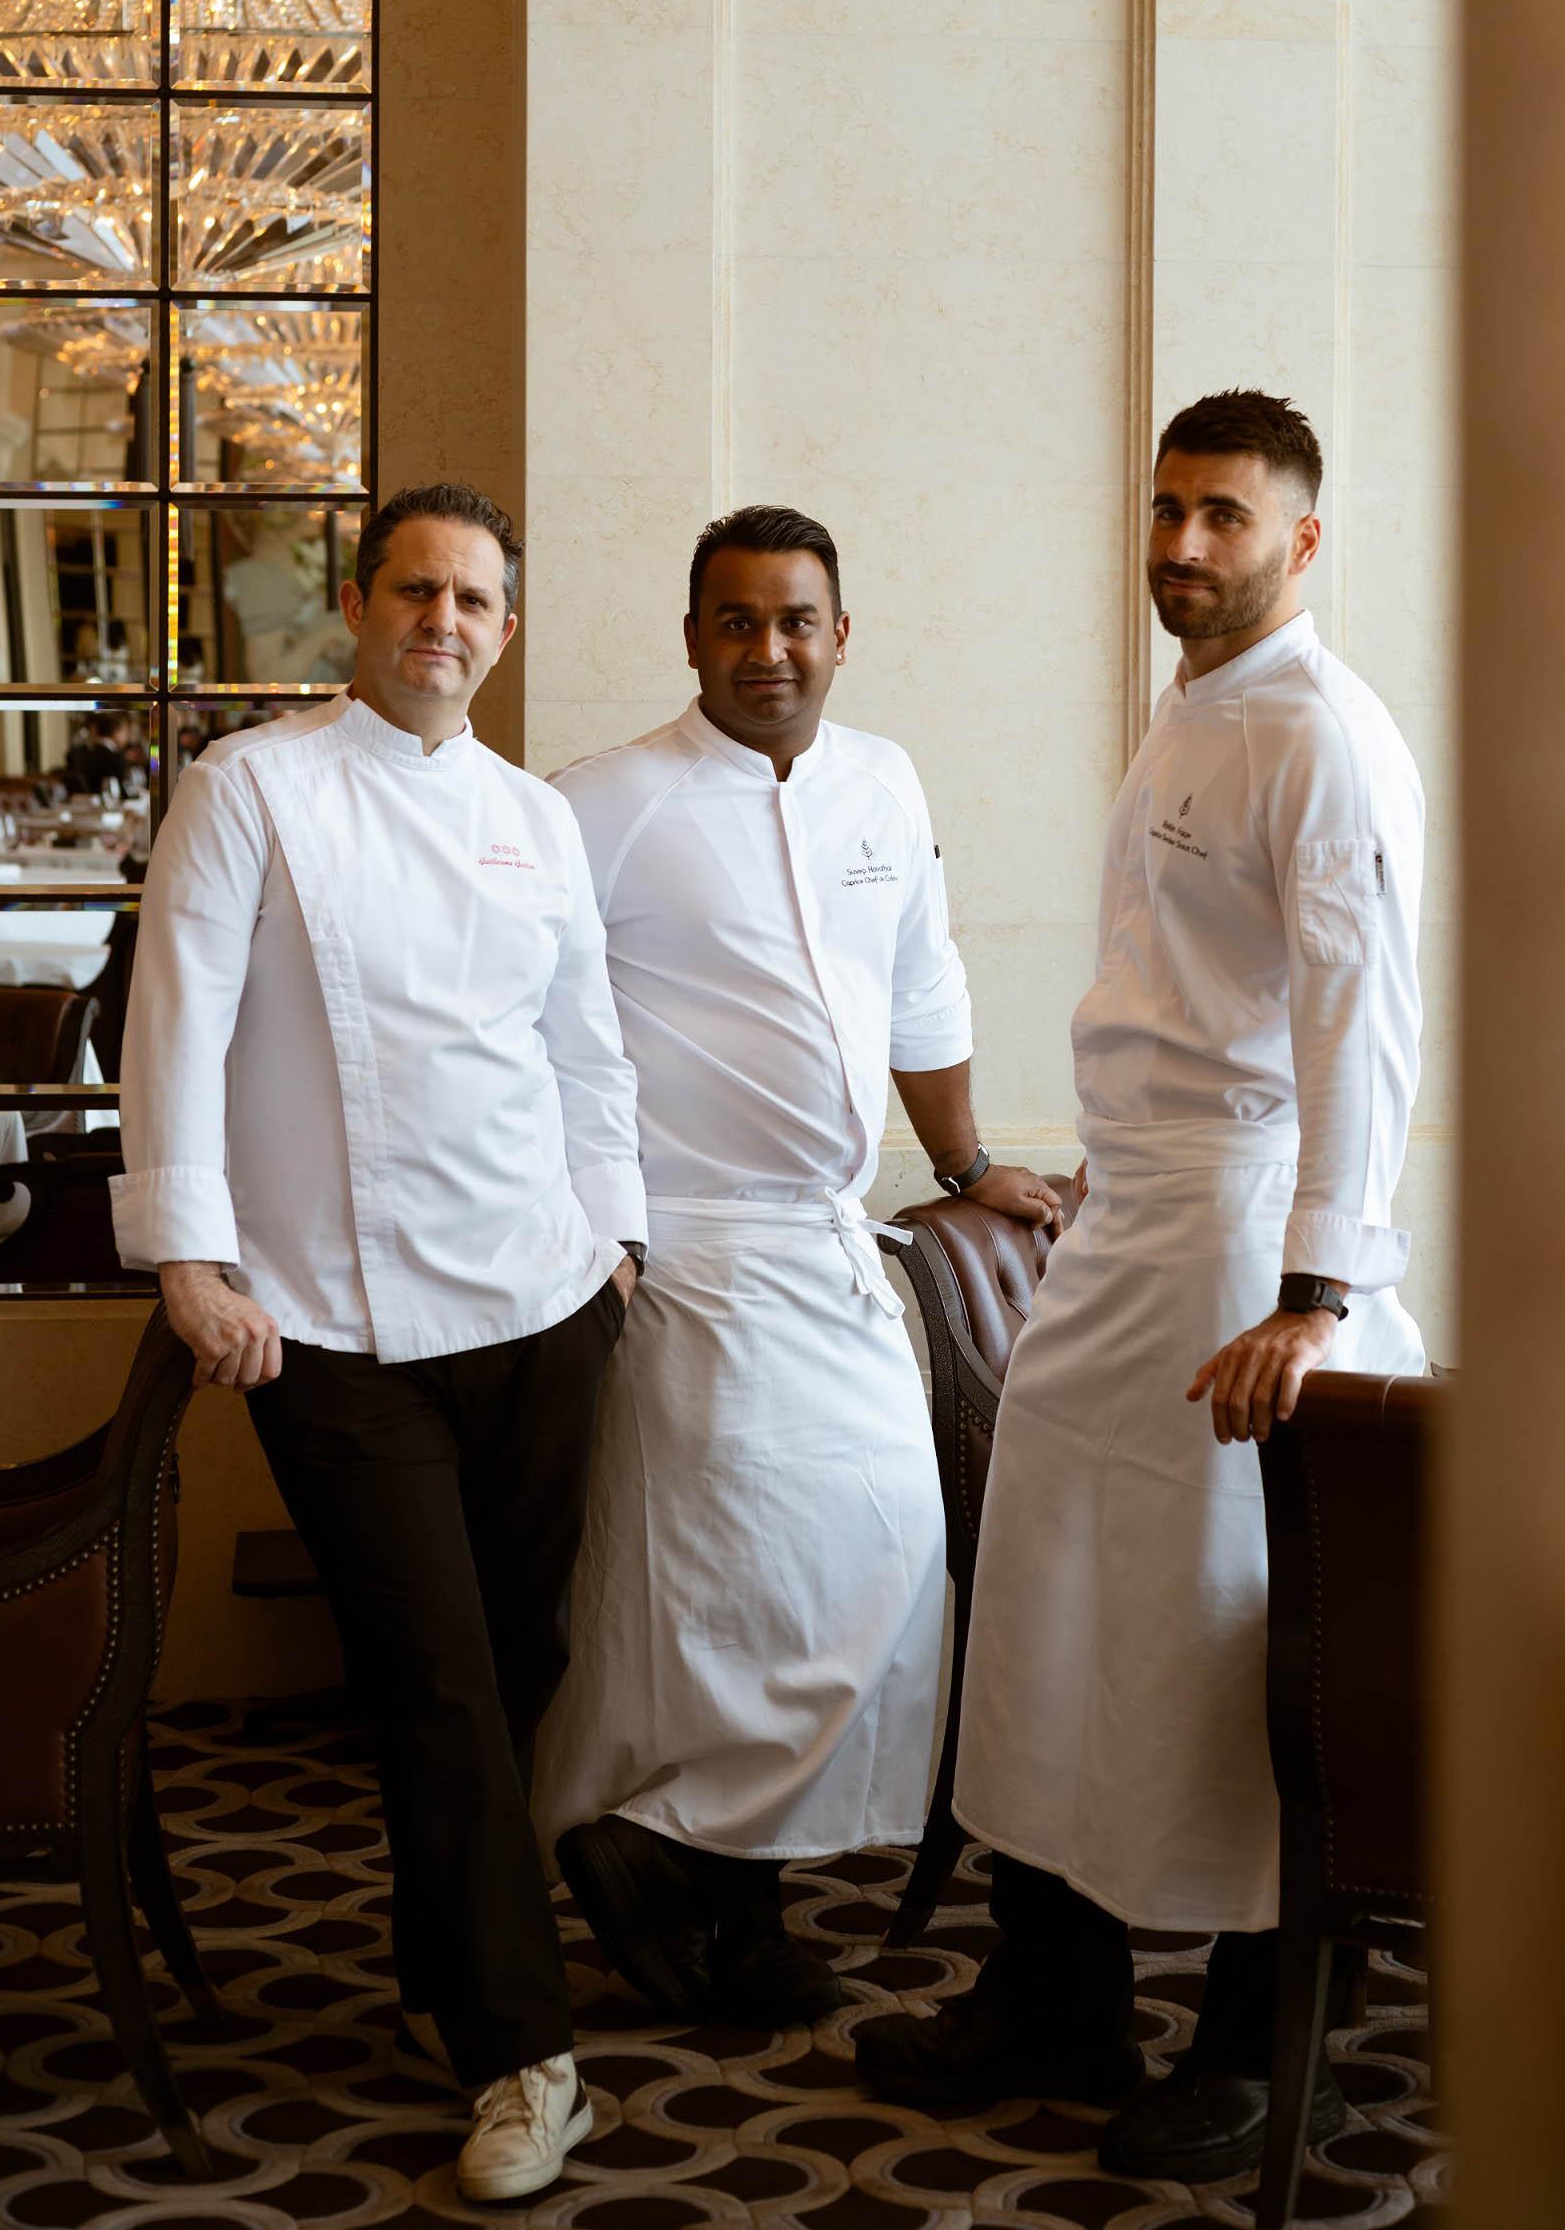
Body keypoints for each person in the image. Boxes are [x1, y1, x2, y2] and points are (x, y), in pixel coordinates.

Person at [856, 390, 1430, 2181]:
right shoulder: (1195, 702)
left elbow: (1361, 1032)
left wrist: (1315, 1292)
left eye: (1224, 516)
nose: (1182, 543)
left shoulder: (1323, 739)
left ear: (1303, 540)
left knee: (1221, 1641)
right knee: (1048, 1610)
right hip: (1135, 1225)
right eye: (1168, 507)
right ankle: (1055, 1992)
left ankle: (1263, 2046)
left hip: (1246, 1260)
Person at [111, 481, 646, 2206]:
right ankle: (524, 2055)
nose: (444, 621)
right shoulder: (250, 786)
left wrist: (617, 1241)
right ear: (358, 603)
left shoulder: (532, 816)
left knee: (515, 1663)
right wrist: (190, 1261)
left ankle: (442, 1964)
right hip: (329, 1325)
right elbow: (175, 1029)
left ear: (505, 626)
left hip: (543, 1299)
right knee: (436, 1681)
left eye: (475, 599)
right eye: (416, 589)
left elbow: (586, 1049)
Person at [532, 503, 1062, 2026]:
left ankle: (676, 1861)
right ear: (692, 635)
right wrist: (588, 1224)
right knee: (724, 1598)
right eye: (737, 620)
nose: (768, 649)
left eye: (796, 620)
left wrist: (965, 1166)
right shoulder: (601, 802)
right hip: (683, 1247)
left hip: (832, 1239)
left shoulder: (884, 781)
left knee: (885, 1562)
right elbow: (528, 1021)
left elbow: (924, 991)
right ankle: (709, 1895)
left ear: (841, 634)